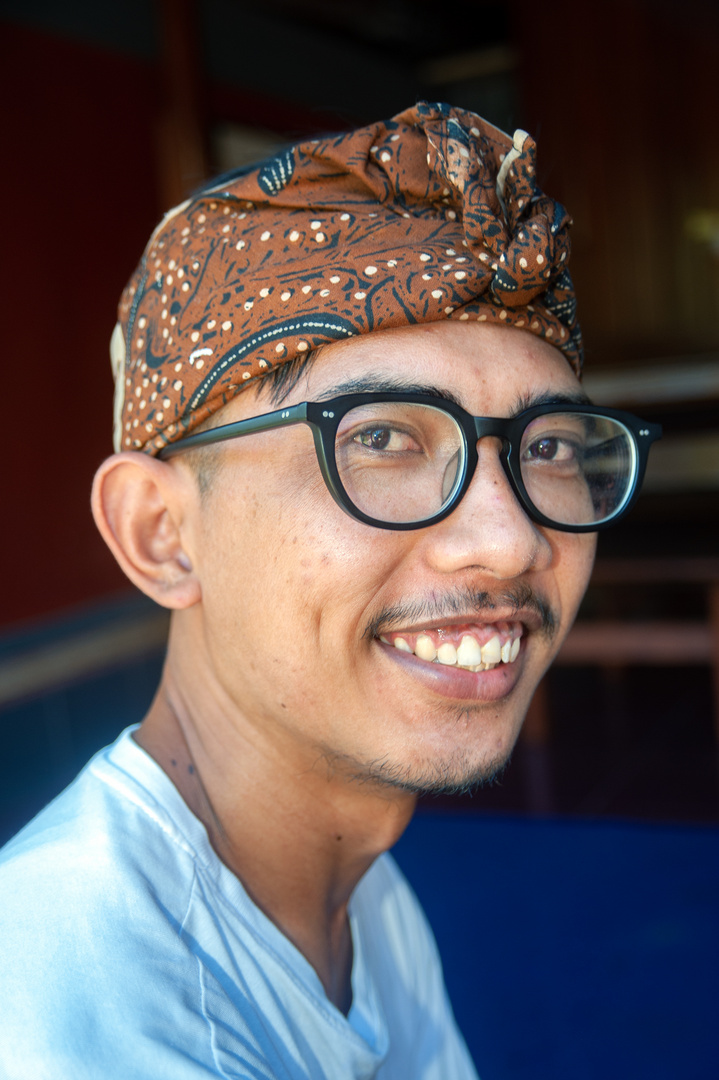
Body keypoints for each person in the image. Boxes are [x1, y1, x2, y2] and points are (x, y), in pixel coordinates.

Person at [0, 102, 660, 1078]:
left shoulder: (360, 894)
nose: (509, 539)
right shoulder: (73, 1021)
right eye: (381, 438)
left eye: (548, 446)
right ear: (162, 533)